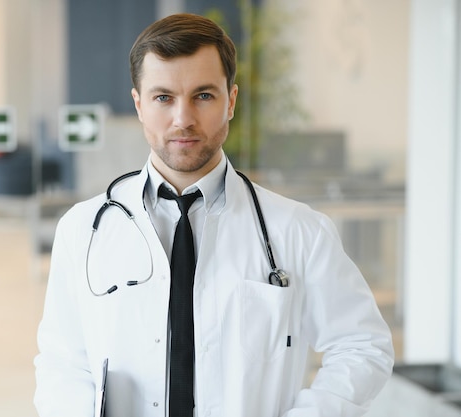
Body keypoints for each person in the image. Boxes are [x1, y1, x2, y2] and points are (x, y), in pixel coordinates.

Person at [34, 13, 394, 417]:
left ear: (231, 101)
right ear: (138, 104)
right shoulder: (82, 229)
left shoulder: (299, 230)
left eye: (203, 96)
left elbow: (362, 345)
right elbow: (61, 361)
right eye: (163, 97)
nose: (183, 118)